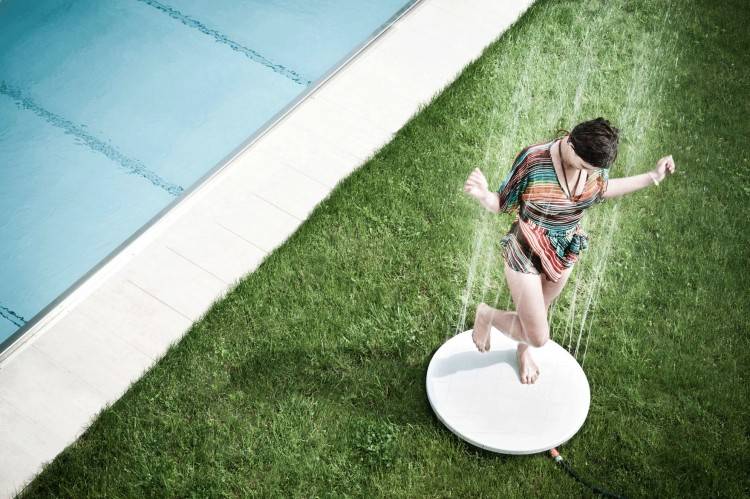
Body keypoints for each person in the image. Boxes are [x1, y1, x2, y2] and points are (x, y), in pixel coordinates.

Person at [462, 117, 676, 384]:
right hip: (526, 249)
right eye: (587, 168)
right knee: (539, 336)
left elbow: (604, 189)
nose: (590, 175)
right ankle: (487, 315)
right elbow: (501, 203)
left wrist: (653, 177)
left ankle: (522, 350)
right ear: (573, 148)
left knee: (538, 313)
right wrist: (483, 194)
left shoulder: (593, 169)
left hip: (564, 251)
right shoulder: (534, 160)